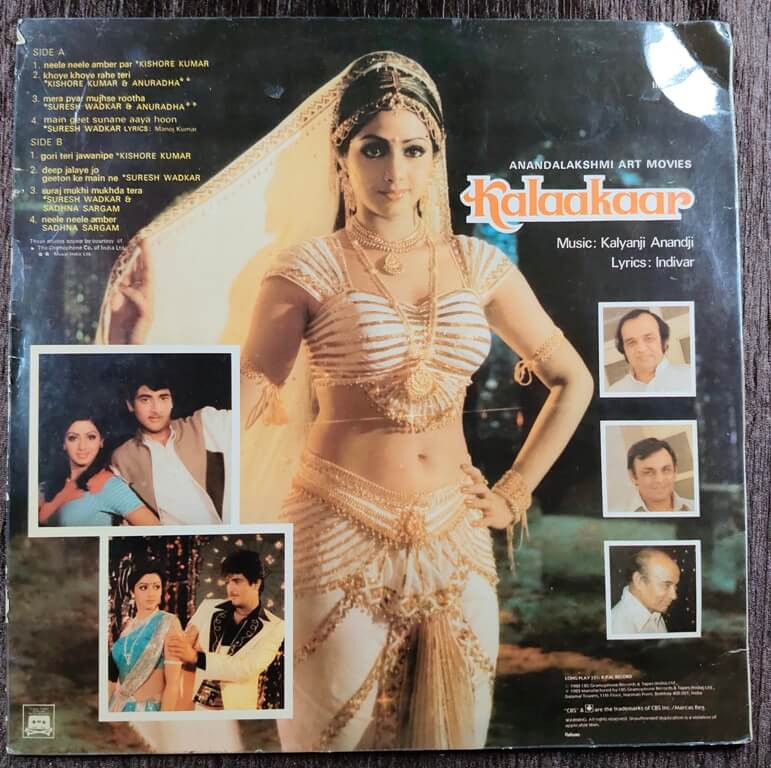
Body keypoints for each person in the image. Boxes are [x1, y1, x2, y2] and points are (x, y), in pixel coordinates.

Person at [97, 51, 593, 750]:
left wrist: (513, 492)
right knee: (326, 743)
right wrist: (143, 341)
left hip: (455, 535)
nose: (395, 170)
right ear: (341, 158)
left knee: (456, 739)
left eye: (413, 149)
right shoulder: (307, 269)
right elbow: (247, 393)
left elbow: (574, 380)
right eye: (373, 148)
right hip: (336, 531)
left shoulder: (478, 264)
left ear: (434, 158)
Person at [166, 549, 284, 711]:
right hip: (195, 707)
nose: (230, 588)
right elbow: (184, 648)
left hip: (234, 712)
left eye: (237, 581)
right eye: (228, 581)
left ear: (256, 583)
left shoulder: (275, 626)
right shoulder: (208, 608)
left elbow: (246, 668)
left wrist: (197, 657)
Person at [111, 370, 232, 525]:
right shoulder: (122, 457)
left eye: (163, 398)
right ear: (130, 405)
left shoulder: (202, 423)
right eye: (145, 399)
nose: (156, 409)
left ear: (172, 401)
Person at [38, 415, 159, 527]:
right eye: (73, 438)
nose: (82, 447)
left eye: (91, 437)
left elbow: (155, 530)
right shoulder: (45, 486)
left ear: (101, 441)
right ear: (63, 443)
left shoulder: (110, 485)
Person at [108, 562, 183, 711]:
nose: (151, 593)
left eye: (156, 587)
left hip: (148, 711)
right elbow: (112, 678)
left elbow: (173, 684)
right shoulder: (126, 627)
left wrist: (164, 720)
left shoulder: (168, 623)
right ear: (132, 592)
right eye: (144, 587)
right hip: (118, 707)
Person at [607, 308, 692, 394]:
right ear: (623, 349)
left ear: (664, 341)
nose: (641, 349)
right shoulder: (613, 392)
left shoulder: (691, 377)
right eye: (631, 342)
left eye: (649, 338)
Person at [610, 548, 680, 635]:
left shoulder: (654, 612)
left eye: (675, 586)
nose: (674, 596)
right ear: (639, 581)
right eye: (666, 585)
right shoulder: (618, 628)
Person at [625, 437, 695, 513]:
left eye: (666, 470)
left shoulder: (695, 508)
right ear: (633, 477)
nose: (659, 480)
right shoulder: (620, 514)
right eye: (649, 472)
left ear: (675, 471)